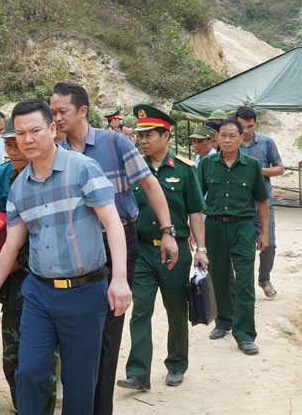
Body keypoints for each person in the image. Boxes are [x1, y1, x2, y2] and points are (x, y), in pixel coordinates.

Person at [0, 98, 132, 415]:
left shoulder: (83, 169)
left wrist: (119, 279)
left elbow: (113, 223)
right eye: (20, 134)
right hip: (40, 293)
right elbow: (12, 245)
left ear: (52, 129)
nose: (27, 139)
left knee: (79, 383)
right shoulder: (20, 187)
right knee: (29, 373)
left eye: (34, 130)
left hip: (85, 292)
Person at [50, 82, 178, 415]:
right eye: (52, 113)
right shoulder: (55, 151)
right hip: (75, 249)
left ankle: (99, 407)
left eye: (62, 111)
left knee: (108, 330)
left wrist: (168, 231)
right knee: (77, 329)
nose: (57, 118)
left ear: (82, 111)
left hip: (118, 242)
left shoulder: (115, 142)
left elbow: (149, 184)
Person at [117, 105, 206, 392]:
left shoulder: (183, 169)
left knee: (176, 309)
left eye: (150, 135)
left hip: (176, 251)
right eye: (140, 135)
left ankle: (177, 364)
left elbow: (194, 211)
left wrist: (201, 248)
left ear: (166, 136)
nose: (143, 141)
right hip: (143, 251)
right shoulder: (134, 169)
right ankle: (138, 373)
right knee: (140, 309)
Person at [0, 119, 59, 414]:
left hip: (46, 281)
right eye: (7, 144)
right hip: (14, 284)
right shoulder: (4, 176)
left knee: (42, 362)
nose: (14, 150)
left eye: (16, 141)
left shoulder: (50, 176)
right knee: (12, 358)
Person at [194, 118, 269, 355]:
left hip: (244, 228)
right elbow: (195, 201)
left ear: (241, 138)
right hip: (215, 227)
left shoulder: (252, 165)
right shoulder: (206, 164)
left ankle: (245, 334)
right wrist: (195, 235)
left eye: (232, 136)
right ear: (216, 139)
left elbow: (262, 200)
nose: (227, 140)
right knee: (219, 277)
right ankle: (223, 321)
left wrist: (264, 232)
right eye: (223, 136)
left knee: (245, 280)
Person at [235, 106, 284, 299]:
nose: (246, 131)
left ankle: (264, 278)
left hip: (263, 203)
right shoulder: (231, 143)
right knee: (242, 247)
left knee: (269, 244)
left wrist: (257, 170)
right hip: (239, 206)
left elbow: (280, 169)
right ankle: (242, 284)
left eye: (250, 126)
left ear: (256, 124)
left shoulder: (266, 143)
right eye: (242, 126)